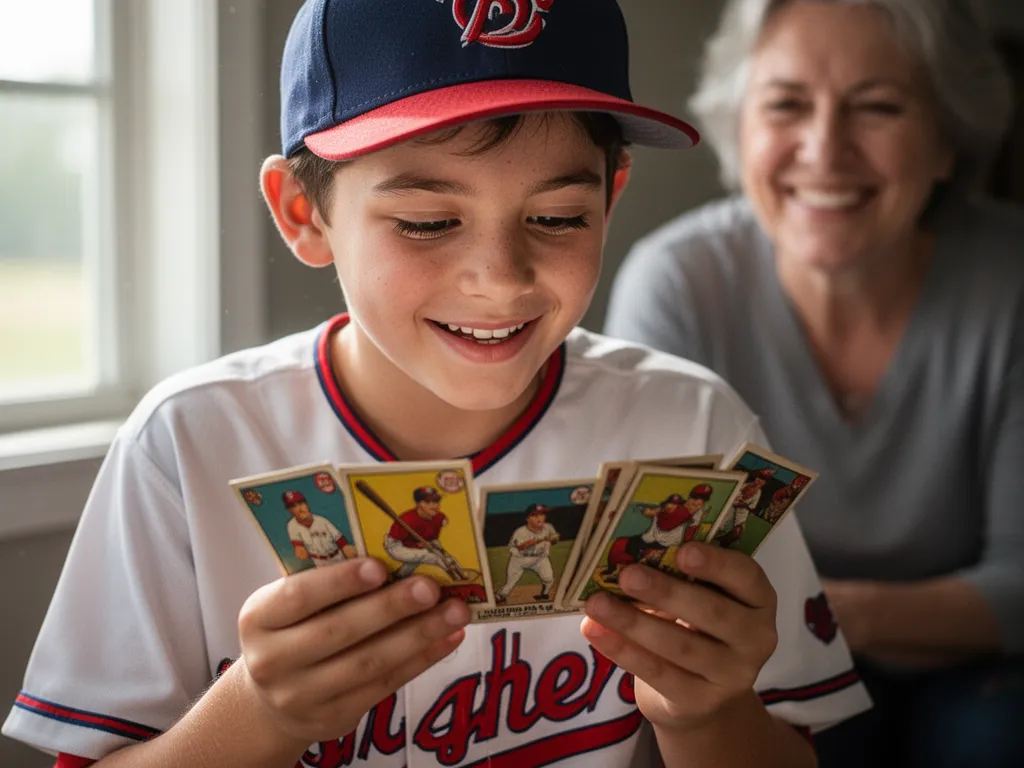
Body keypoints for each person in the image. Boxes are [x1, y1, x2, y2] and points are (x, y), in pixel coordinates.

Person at [1, 2, 871, 766]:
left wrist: (709, 709)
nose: (500, 277)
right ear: (305, 214)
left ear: (612, 196)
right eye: (426, 222)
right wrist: (260, 717)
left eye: (558, 217)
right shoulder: (187, 442)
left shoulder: (694, 421)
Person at [604, 0, 1024, 765]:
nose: (825, 150)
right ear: (740, 129)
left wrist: (814, 613)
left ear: (946, 140)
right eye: (787, 105)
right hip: (759, 677)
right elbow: (648, 581)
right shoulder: (676, 284)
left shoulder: (1012, 281)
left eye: (879, 107)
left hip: (981, 682)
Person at [383, 486, 453, 579]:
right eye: (428, 502)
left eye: (436, 500)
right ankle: (456, 577)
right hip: (396, 544)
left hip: (420, 539)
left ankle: (398, 576)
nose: (434, 505)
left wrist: (435, 548)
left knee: (441, 555)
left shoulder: (440, 518)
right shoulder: (407, 520)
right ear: (418, 504)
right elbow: (402, 541)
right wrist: (417, 545)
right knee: (430, 556)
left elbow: (432, 537)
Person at [496, 503, 560, 603]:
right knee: (510, 582)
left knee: (549, 578)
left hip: (540, 559)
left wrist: (555, 539)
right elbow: (521, 547)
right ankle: (501, 596)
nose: (540, 518)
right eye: (535, 515)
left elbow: (555, 539)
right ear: (527, 518)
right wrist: (539, 539)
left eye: (542, 514)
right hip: (520, 560)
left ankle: (544, 594)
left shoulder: (548, 527)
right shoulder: (520, 532)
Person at [284, 489, 358, 566]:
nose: (299, 508)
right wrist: (299, 549)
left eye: (301, 503)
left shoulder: (322, 521)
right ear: (290, 510)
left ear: (306, 504)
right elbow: (298, 545)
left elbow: (340, 540)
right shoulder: (292, 525)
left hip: (337, 557)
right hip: (319, 561)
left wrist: (347, 548)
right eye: (294, 506)